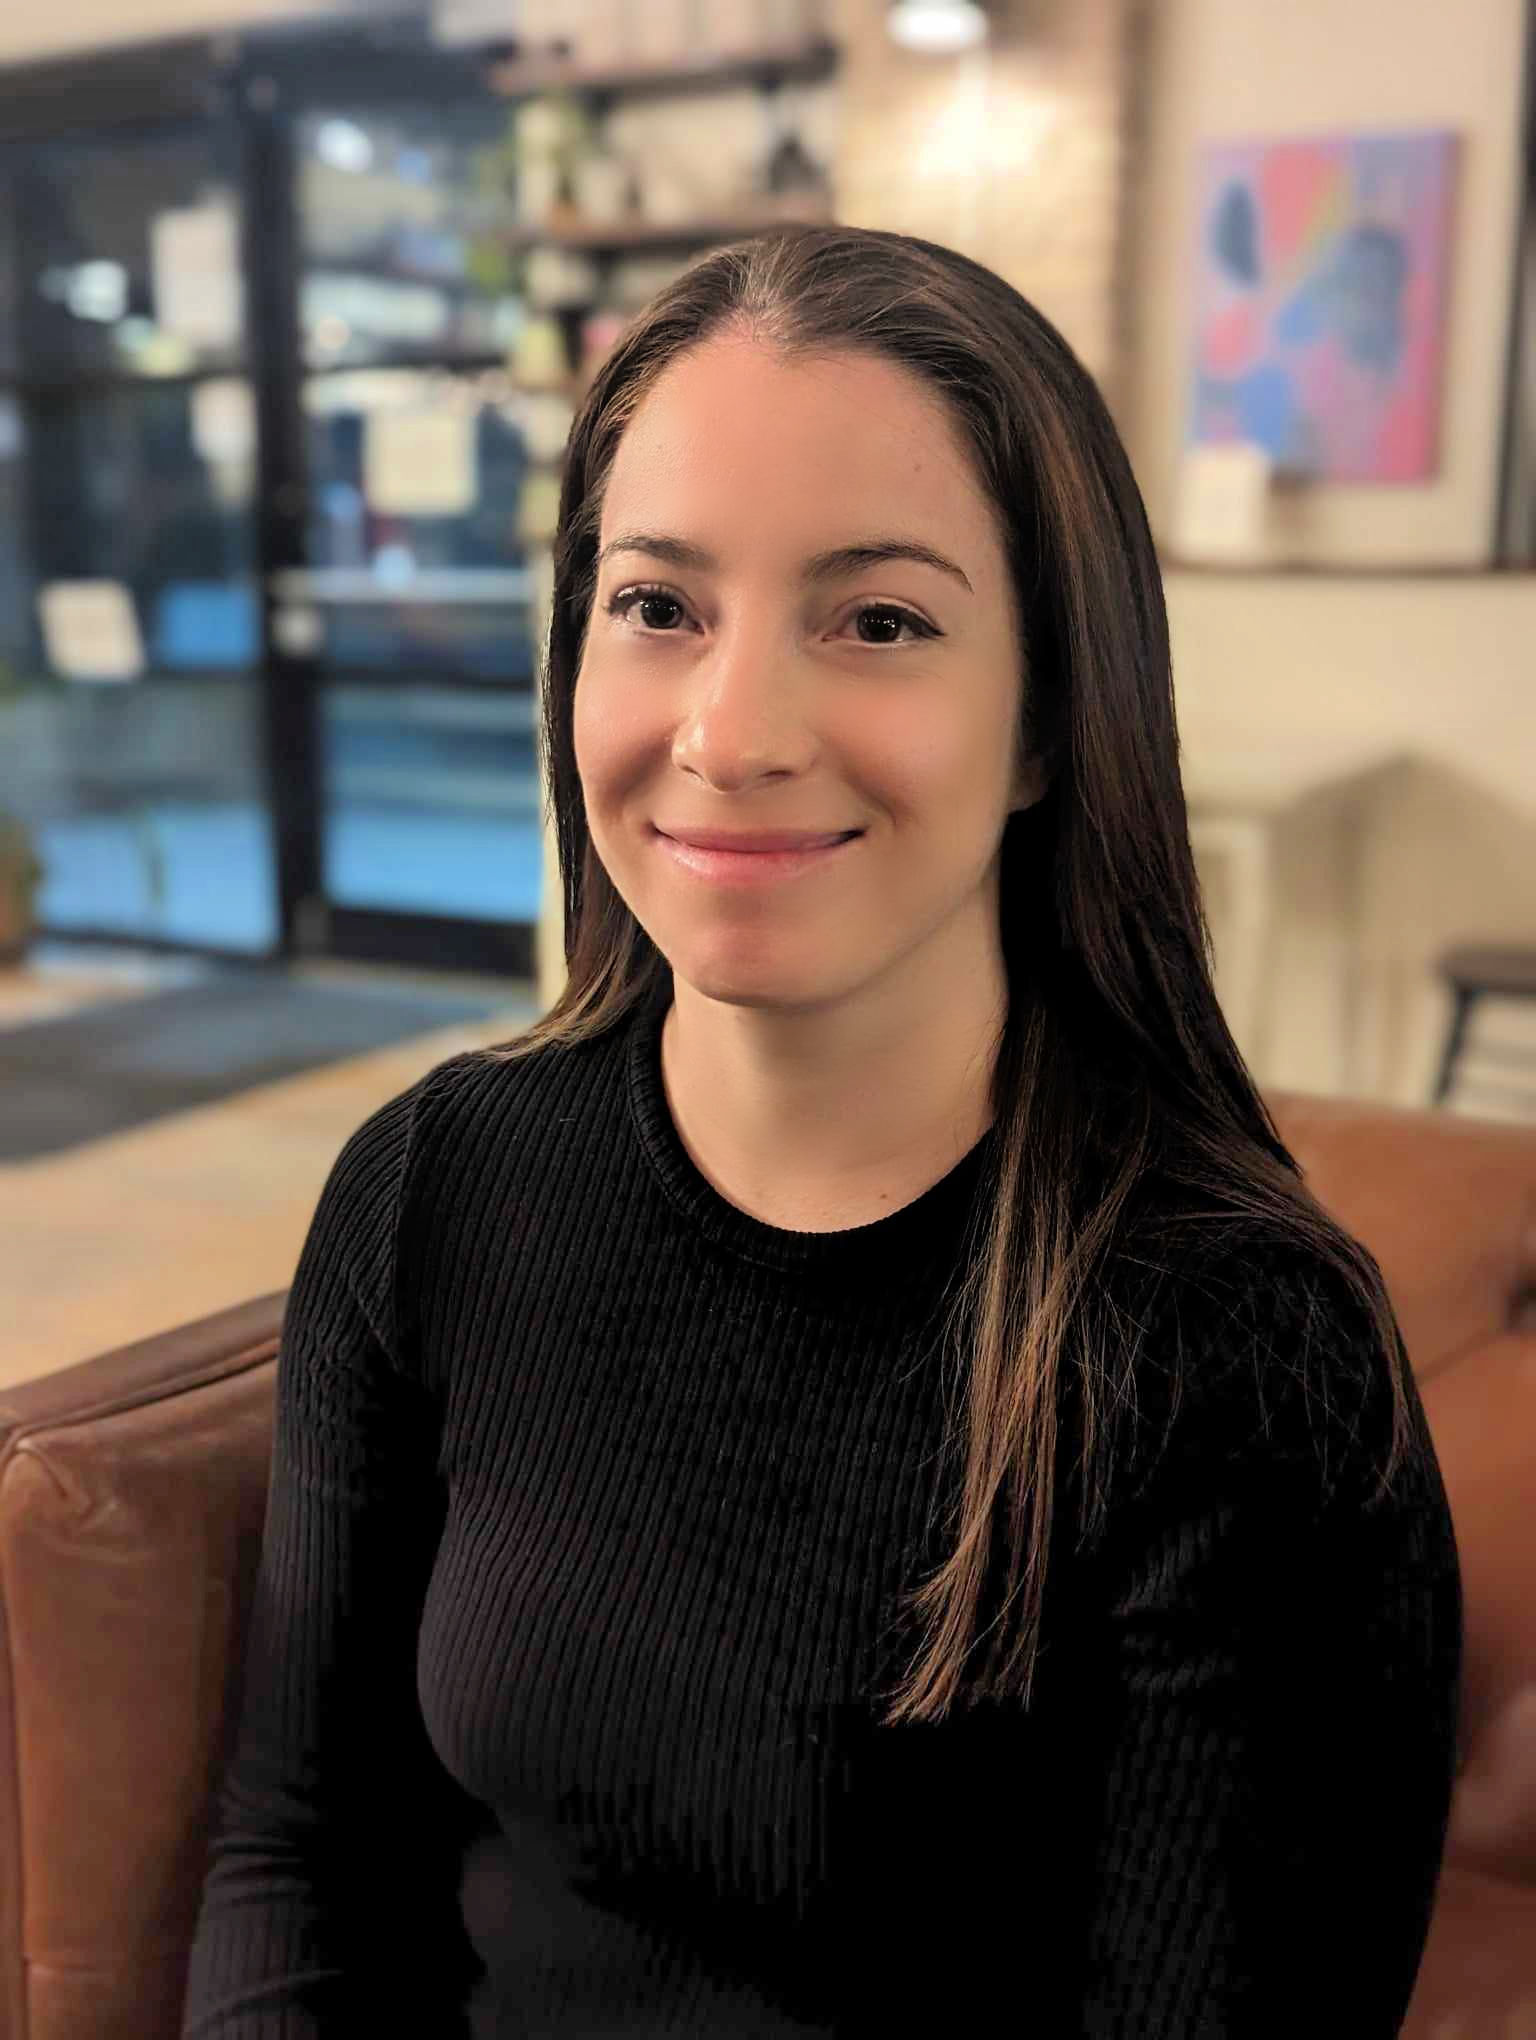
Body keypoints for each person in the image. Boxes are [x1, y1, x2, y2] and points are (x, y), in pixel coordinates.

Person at [180, 222, 1463, 2038]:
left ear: (1048, 719)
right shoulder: (436, 1182)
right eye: (659, 606)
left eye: (879, 621)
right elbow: (301, 1854)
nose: (734, 732)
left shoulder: (1244, 1353)